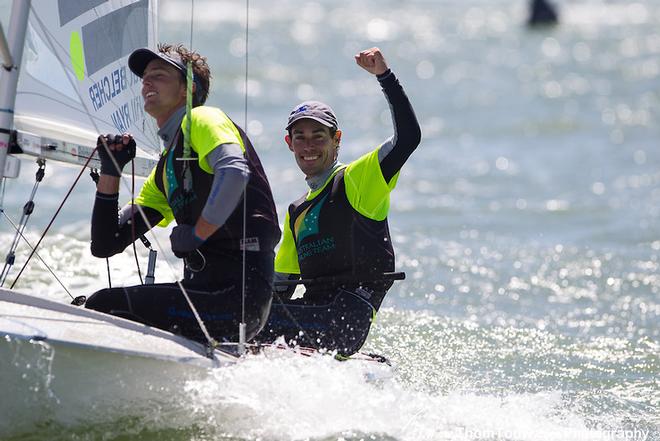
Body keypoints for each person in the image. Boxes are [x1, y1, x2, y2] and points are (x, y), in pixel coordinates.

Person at [84, 44, 280, 344]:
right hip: (205, 295)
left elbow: (234, 171)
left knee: (104, 304)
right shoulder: (165, 172)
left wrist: (199, 233)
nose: (147, 82)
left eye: (159, 75)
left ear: (188, 89)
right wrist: (110, 171)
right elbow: (105, 244)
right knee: (95, 304)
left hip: (238, 298)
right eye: (144, 77)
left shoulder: (201, 119)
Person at [257, 47, 421, 356]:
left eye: (319, 136)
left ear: (337, 139)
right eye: (300, 137)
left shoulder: (358, 181)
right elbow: (279, 288)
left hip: (344, 321)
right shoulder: (296, 212)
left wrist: (384, 77)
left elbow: (408, 138)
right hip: (311, 315)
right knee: (241, 313)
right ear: (289, 144)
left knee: (240, 320)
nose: (309, 146)